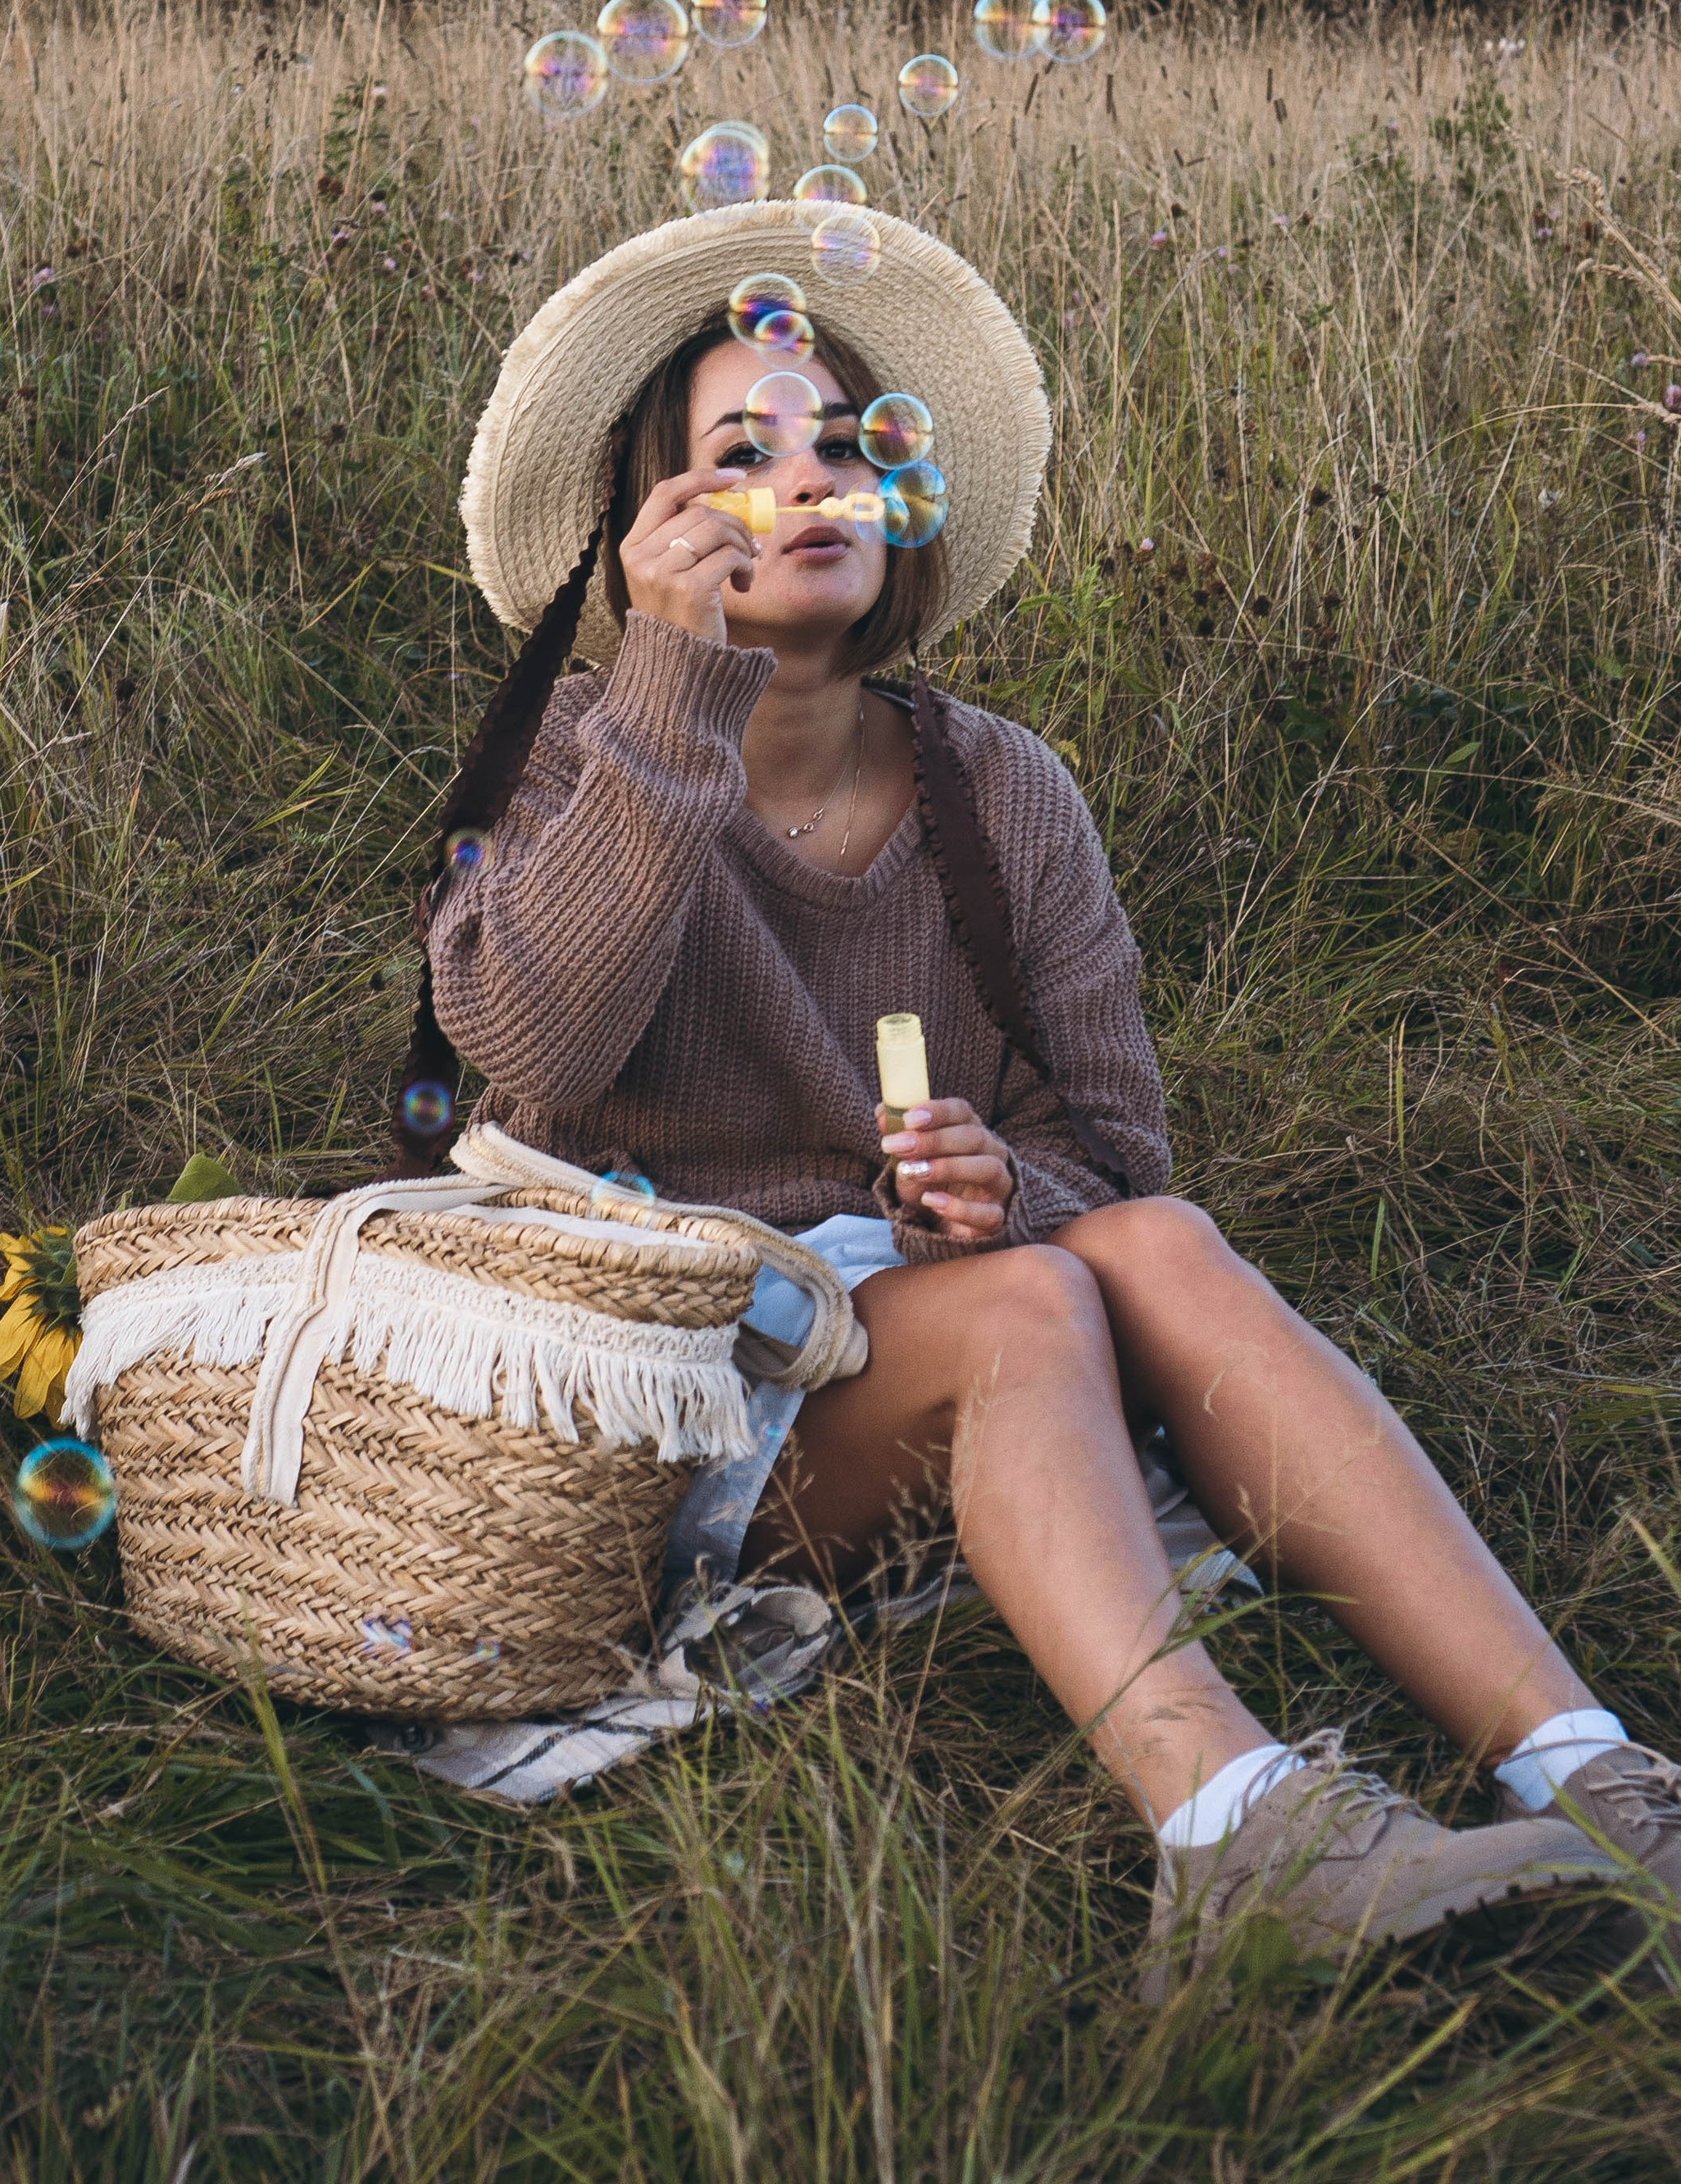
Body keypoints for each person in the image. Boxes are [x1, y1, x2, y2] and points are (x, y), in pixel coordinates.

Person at [406, 201, 1678, 1996]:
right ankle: (1247, 1838)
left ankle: (1598, 1779)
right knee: (1023, 1307)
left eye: (844, 445)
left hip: (915, 1338)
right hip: (666, 1414)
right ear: (645, 528)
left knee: (1137, 1242)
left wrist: (1016, 1183)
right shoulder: (561, 765)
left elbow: (1114, 1157)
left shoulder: (997, 793)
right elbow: (531, 1048)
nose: (807, 479)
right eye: (739, 454)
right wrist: (670, 689)